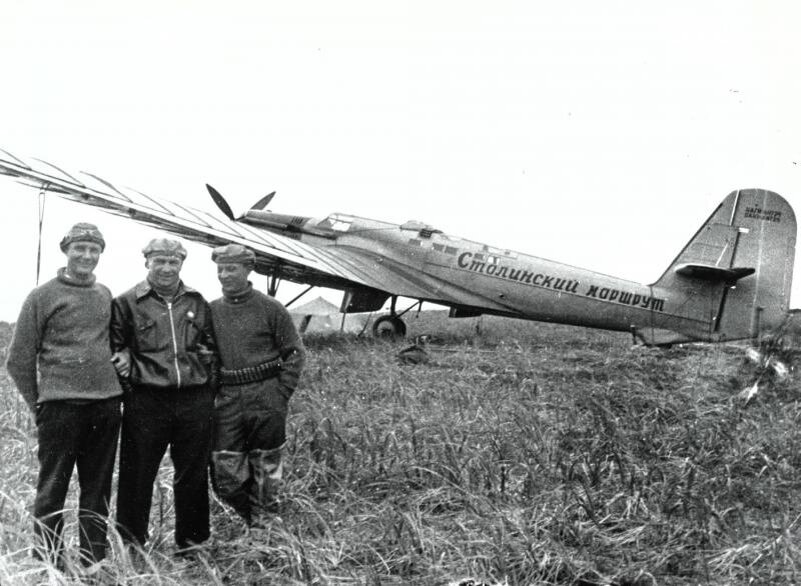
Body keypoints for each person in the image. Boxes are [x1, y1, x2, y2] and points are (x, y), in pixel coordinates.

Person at [5, 223, 123, 567]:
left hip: (105, 405)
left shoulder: (104, 293)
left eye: (93, 249)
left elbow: (113, 343)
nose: (86, 255)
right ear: (66, 251)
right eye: (79, 249)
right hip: (60, 409)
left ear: (100, 254)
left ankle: (93, 561)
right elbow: (18, 359)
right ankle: (48, 563)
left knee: (98, 488)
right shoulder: (42, 296)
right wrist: (39, 404)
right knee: (52, 488)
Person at [110, 237, 218, 553]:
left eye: (173, 262)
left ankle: (192, 544)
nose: (167, 268)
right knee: (137, 474)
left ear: (181, 264)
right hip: (147, 401)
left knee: (193, 475)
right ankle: (131, 545)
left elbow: (210, 346)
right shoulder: (127, 302)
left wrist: (204, 383)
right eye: (160, 261)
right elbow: (116, 350)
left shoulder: (197, 302)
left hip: (193, 400)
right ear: (147, 263)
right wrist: (133, 390)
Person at [208, 243, 305, 528]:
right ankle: (244, 515)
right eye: (220, 269)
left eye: (232, 268)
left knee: (266, 463)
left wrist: (281, 393)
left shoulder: (270, 308)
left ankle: (265, 524)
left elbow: (295, 353)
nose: (225, 275)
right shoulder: (211, 310)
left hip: (266, 394)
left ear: (248, 269)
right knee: (225, 468)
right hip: (227, 398)